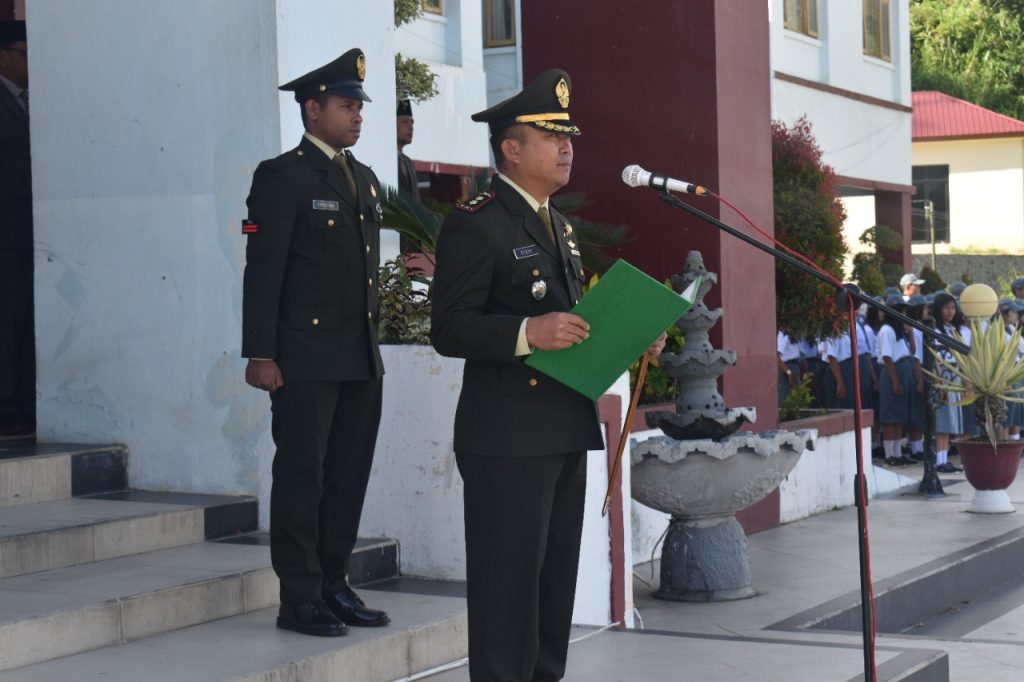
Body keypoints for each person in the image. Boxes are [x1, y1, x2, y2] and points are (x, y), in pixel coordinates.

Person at [431, 69, 665, 682]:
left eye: (569, 137)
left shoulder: (558, 224)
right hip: (506, 436)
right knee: (507, 589)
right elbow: (449, 327)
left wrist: (630, 334)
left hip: (562, 426)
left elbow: (573, 327)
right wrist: (524, 333)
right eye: (550, 135)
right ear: (511, 148)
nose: (566, 147)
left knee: (554, 583)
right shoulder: (476, 222)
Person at [241, 48, 390, 637]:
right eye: (346, 105)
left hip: (359, 357)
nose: (357, 116)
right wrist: (260, 351)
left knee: (348, 476)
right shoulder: (283, 176)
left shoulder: (365, 179)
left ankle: (334, 584)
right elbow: (264, 268)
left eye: (359, 106)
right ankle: (298, 596)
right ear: (312, 109)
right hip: (303, 357)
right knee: (304, 477)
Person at [0, 20, 34, 437]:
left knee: (29, 320)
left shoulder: (32, 101)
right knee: (6, 320)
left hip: (34, 232)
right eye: (25, 54)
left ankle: (26, 400)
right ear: (4, 56)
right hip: (6, 232)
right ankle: (5, 403)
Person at [930, 293, 965, 473]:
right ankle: (939, 460)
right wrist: (939, 381)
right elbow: (935, 358)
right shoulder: (934, 330)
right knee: (942, 420)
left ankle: (944, 458)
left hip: (954, 375)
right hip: (943, 375)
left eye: (952, 308)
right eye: (946, 308)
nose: (950, 312)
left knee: (950, 420)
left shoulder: (952, 329)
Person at [396, 98, 419, 200]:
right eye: (405, 122)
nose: (411, 127)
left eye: (412, 122)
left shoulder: (409, 163)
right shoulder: (386, 161)